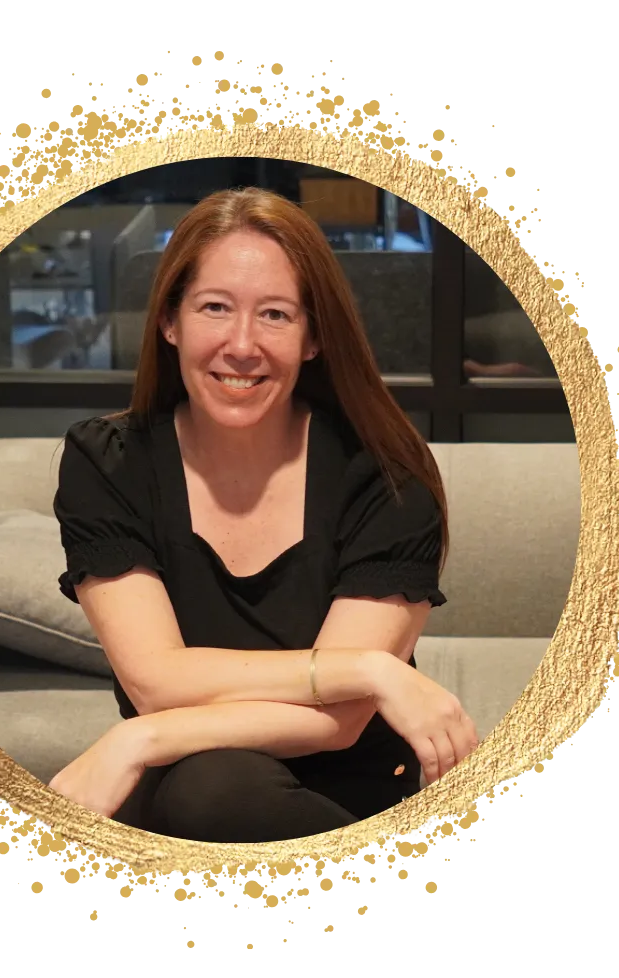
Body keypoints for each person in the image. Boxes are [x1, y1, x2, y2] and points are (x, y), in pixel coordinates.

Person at [48, 187, 479, 844]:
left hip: (341, 800)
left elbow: (339, 723)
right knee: (207, 786)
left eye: (275, 314)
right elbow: (156, 681)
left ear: (313, 338)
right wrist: (368, 668)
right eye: (214, 307)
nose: (242, 344)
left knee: (214, 792)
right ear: (170, 322)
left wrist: (142, 738)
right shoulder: (109, 462)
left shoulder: (386, 474)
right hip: (180, 788)